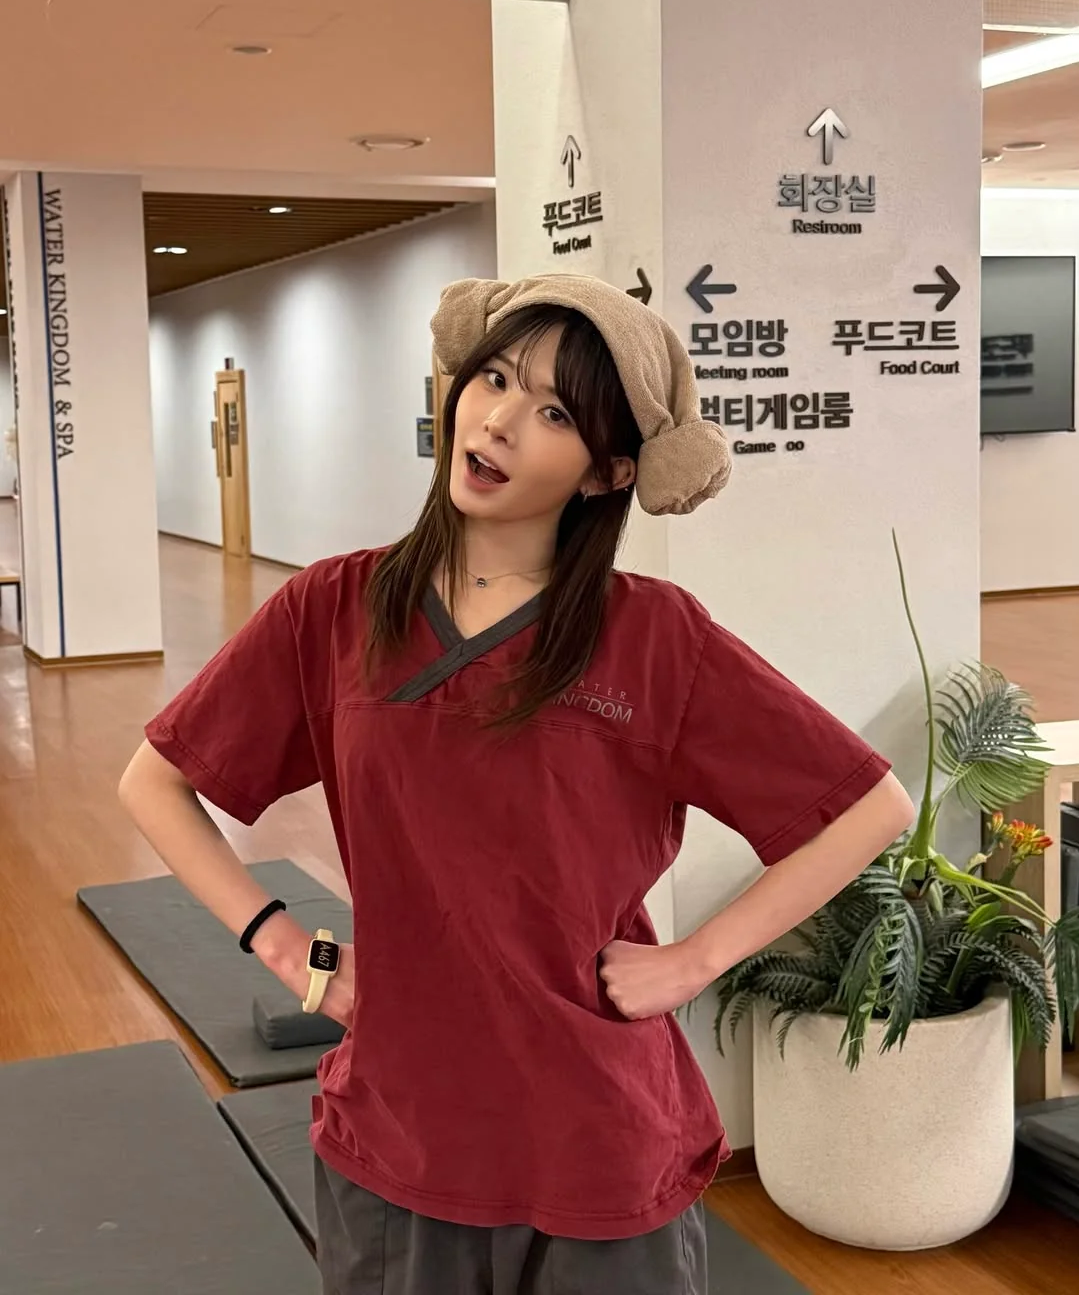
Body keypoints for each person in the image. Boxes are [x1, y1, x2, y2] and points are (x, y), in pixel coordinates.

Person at [118, 274, 912, 1295]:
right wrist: (288, 948)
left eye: (554, 413)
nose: (498, 420)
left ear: (606, 470)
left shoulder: (653, 637)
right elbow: (155, 782)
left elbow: (868, 807)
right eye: (494, 379)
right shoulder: (336, 608)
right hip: (402, 1132)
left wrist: (695, 960)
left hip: (598, 1138)